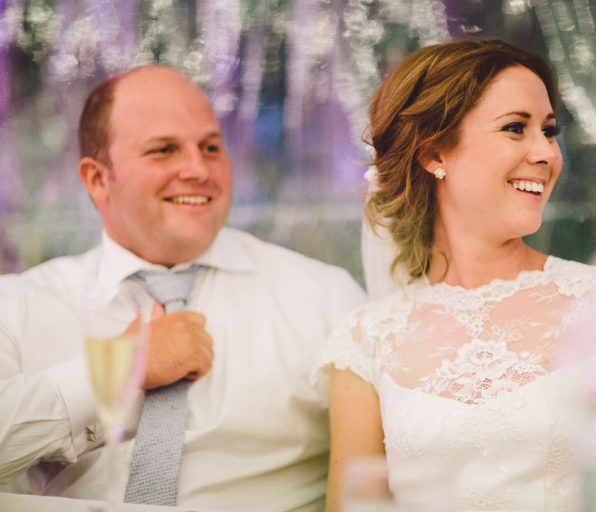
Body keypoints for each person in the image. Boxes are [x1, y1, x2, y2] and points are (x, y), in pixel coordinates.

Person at [0, 65, 366, 512]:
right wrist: (115, 369)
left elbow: (378, 473)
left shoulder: (325, 298)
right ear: (98, 179)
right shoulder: (17, 305)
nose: (197, 169)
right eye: (164, 150)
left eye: (211, 147)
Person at [320, 39, 596, 511]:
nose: (547, 153)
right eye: (516, 128)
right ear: (435, 154)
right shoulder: (367, 342)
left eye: (549, 131)